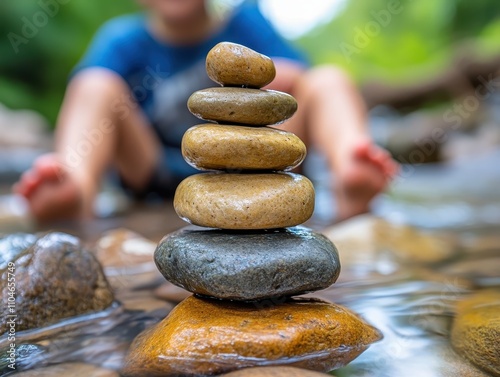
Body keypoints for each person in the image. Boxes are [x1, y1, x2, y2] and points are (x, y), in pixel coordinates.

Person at [13, 0, 397, 223]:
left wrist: (272, 77)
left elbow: (298, 78)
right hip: (156, 168)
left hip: (263, 168)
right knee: (95, 85)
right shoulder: (124, 39)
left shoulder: (245, 20)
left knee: (327, 78)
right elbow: (86, 98)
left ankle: (351, 164)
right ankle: (75, 185)